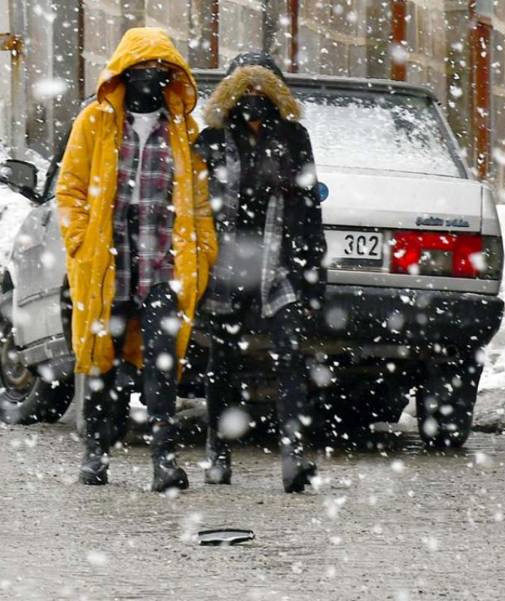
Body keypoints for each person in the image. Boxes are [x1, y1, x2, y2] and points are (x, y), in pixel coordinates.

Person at [56, 28, 218, 492]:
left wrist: (204, 253)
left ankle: (164, 459)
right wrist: (83, 241)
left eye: (161, 72)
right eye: (143, 70)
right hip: (111, 264)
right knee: (102, 360)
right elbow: (69, 190)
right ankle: (96, 453)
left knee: (164, 362)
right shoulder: (95, 123)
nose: (151, 79)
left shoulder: (184, 131)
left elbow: (200, 201)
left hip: (166, 265)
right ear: (125, 74)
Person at [196, 53, 327, 493]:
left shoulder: (292, 137)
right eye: (245, 90)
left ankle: (293, 455)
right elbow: (196, 208)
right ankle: (218, 450)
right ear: (231, 93)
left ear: (276, 93)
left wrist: (313, 271)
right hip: (228, 264)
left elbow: (308, 206)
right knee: (223, 360)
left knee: (290, 358)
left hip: (279, 262)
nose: (253, 98)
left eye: (262, 90)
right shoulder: (212, 139)